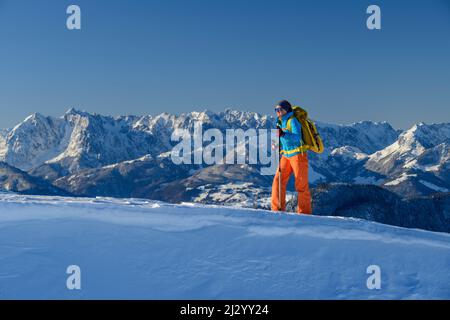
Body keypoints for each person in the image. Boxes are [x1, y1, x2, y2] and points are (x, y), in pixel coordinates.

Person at [271, 100, 312, 214]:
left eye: (280, 109)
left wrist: (284, 134)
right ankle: (277, 209)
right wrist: (276, 144)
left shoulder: (292, 120)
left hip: (298, 155)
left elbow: (297, 137)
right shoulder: (279, 122)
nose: (278, 112)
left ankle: (304, 213)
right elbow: (281, 139)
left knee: (301, 185)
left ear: (286, 110)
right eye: (276, 110)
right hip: (286, 155)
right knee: (278, 181)